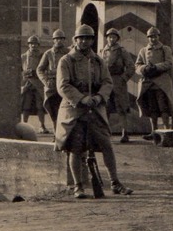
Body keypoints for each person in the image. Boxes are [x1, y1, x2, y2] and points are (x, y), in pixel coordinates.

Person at [55, 25, 133, 198]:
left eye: (88, 38)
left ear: (92, 41)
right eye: (81, 38)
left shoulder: (98, 60)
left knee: (107, 145)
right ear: (75, 40)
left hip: (96, 110)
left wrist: (99, 97)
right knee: (76, 149)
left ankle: (115, 183)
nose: (84, 41)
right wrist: (81, 99)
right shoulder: (66, 60)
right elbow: (63, 85)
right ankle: (78, 186)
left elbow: (108, 82)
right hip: (74, 111)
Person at [135, 26, 173, 136]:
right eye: (150, 37)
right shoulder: (143, 51)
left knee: (163, 107)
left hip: (162, 83)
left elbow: (169, 63)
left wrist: (156, 67)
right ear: (148, 38)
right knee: (152, 108)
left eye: (155, 36)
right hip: (148, 83)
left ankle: (167, 130)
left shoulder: (165, 49)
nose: (153, 39)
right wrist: (144, 68)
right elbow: (137, 66)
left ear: (158, 36)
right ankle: (154, 131)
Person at [101, 28, 136, 143]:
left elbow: (131, 66)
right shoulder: (103, 51)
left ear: (117, 39)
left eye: (114, 37)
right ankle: (105, 133)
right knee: (105, 107)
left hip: (118, 81)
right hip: (105, 82)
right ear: (107, 38)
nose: (111, 39)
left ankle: (124, 133)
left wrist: (123, 78)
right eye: (110, 37)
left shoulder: (122, 51)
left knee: (122, 107)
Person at [36, 29, 68, 131]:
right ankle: (56, 132)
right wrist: (46, 81)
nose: (59, 41)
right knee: (52, 108)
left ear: (64, 40)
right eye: (57, 39)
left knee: (65, 109)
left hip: (65, 83)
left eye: (61, 39)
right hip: (52, 84)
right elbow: (40, 69)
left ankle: (63, 133)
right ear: (53, 40)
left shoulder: (68, 53)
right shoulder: (48, 53)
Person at [20, 34, 49, 134]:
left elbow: (45, 69)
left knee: (40, 106)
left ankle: (42, 126)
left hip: (38, 83)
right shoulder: (23, 57)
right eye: (31, 44)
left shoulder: (42, 56)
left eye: (35, 44)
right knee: (26, 106)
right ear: (28, 45)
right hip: (27, 83)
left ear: (38, 45)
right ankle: (24, 126)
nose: (33, 46)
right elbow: (19, 71)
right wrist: (25, 74)